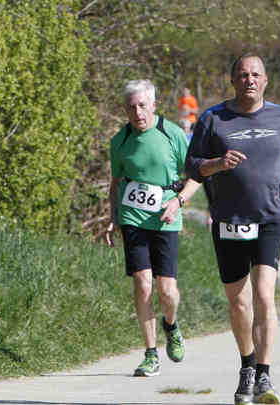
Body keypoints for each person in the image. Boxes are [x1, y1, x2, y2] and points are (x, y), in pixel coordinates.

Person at [186, 53, 280, 405]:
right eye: (242, 75)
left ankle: (264, 375)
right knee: (239, 304)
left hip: (269, 216)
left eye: (256, 74)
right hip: (228, 221)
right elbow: (192, 165)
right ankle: (247, 366)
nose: (249, 80)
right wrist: (217, 163)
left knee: (264, 295)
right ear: (233, 81)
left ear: (266, 80)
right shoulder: (213, 119)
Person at [105, 79, 201, 377]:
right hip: (133, 217)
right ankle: (150, 354)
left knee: (167, 290)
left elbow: (196, 176)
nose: (137, 113)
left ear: (154, 105)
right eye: (131, 107)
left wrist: (179, 201)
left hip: (165, 218)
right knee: (143, 283)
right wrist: (113, 216)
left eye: (142, 106)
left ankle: (170, 325)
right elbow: (116, 183)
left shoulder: (172, 134)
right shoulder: (119, 141)